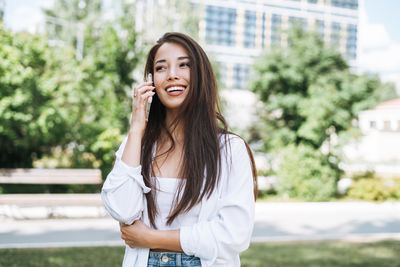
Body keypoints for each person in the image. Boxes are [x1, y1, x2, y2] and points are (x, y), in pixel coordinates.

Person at [101, 32, 257, 267]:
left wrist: (150, 238)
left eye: (184, 65)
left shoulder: (230, 150)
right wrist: (135, 129)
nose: (172, 75)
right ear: (152, 80)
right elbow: (123, 211)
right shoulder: (138, 144)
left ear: (201, 75)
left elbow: (234, 235)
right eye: (161, 68)